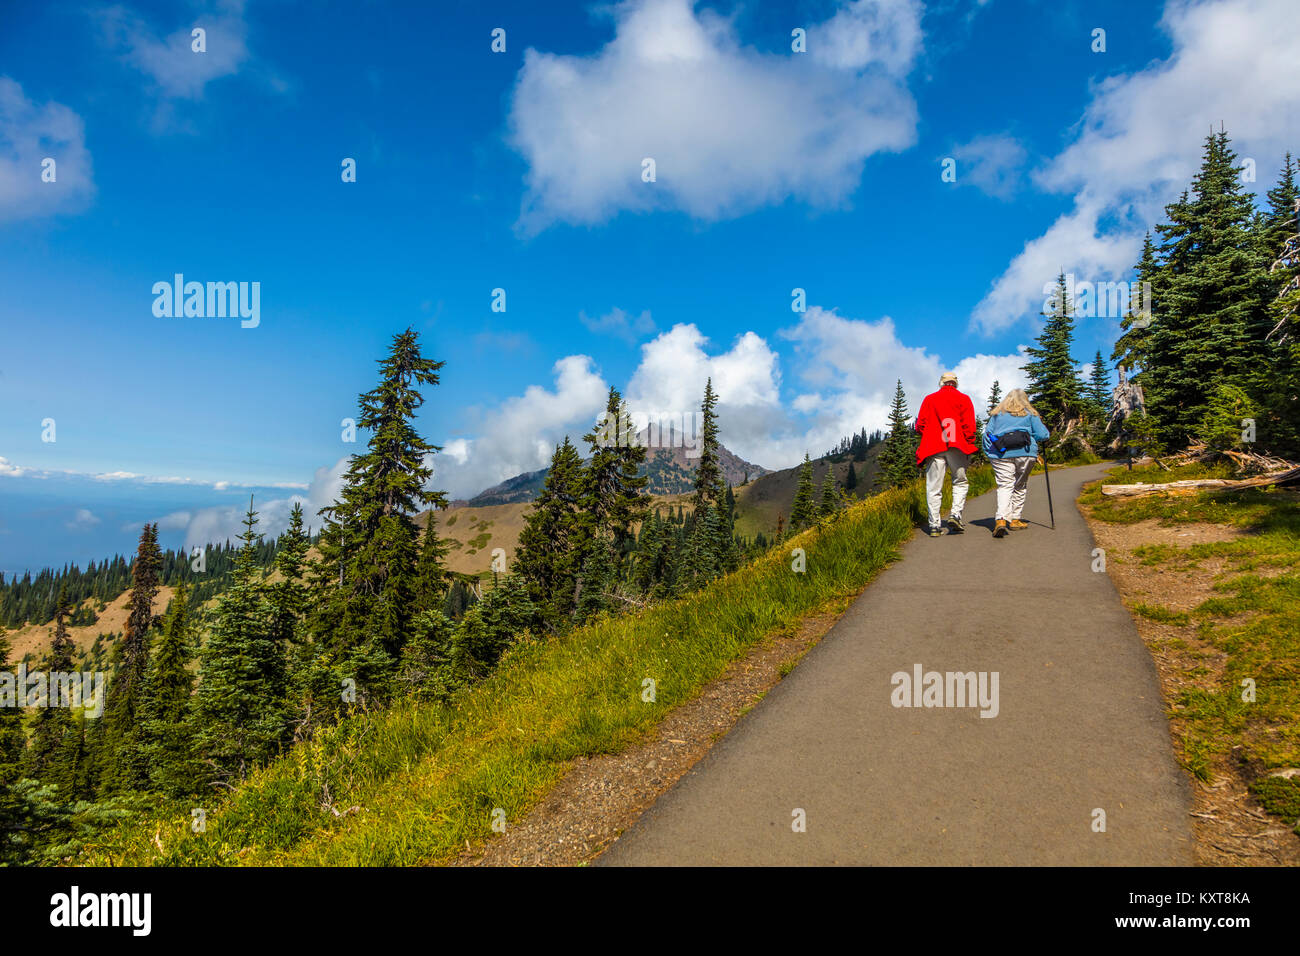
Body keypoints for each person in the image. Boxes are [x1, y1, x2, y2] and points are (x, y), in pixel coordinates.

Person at [913, 372, 977, 537]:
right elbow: (969, 427)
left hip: (934, 446)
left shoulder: (930, 399)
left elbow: (920, 425)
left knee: (934, 487)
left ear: (941, 383)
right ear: (956, 383)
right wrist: (968, 442)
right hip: (957, 445)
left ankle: (934, 526)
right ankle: (955, 515)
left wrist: (929, 433)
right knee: (960, 481)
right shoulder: (964, 399)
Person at [983, 388, 1050, 538]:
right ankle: (1015, 519)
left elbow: (987, 434)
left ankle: (1001, 520)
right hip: (1025, 453)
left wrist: (989, 452)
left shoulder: (997, 415)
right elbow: (1043, 434)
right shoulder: (1030, 413)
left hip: (1001, 453)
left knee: (1005, 485)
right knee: (1020, 485)